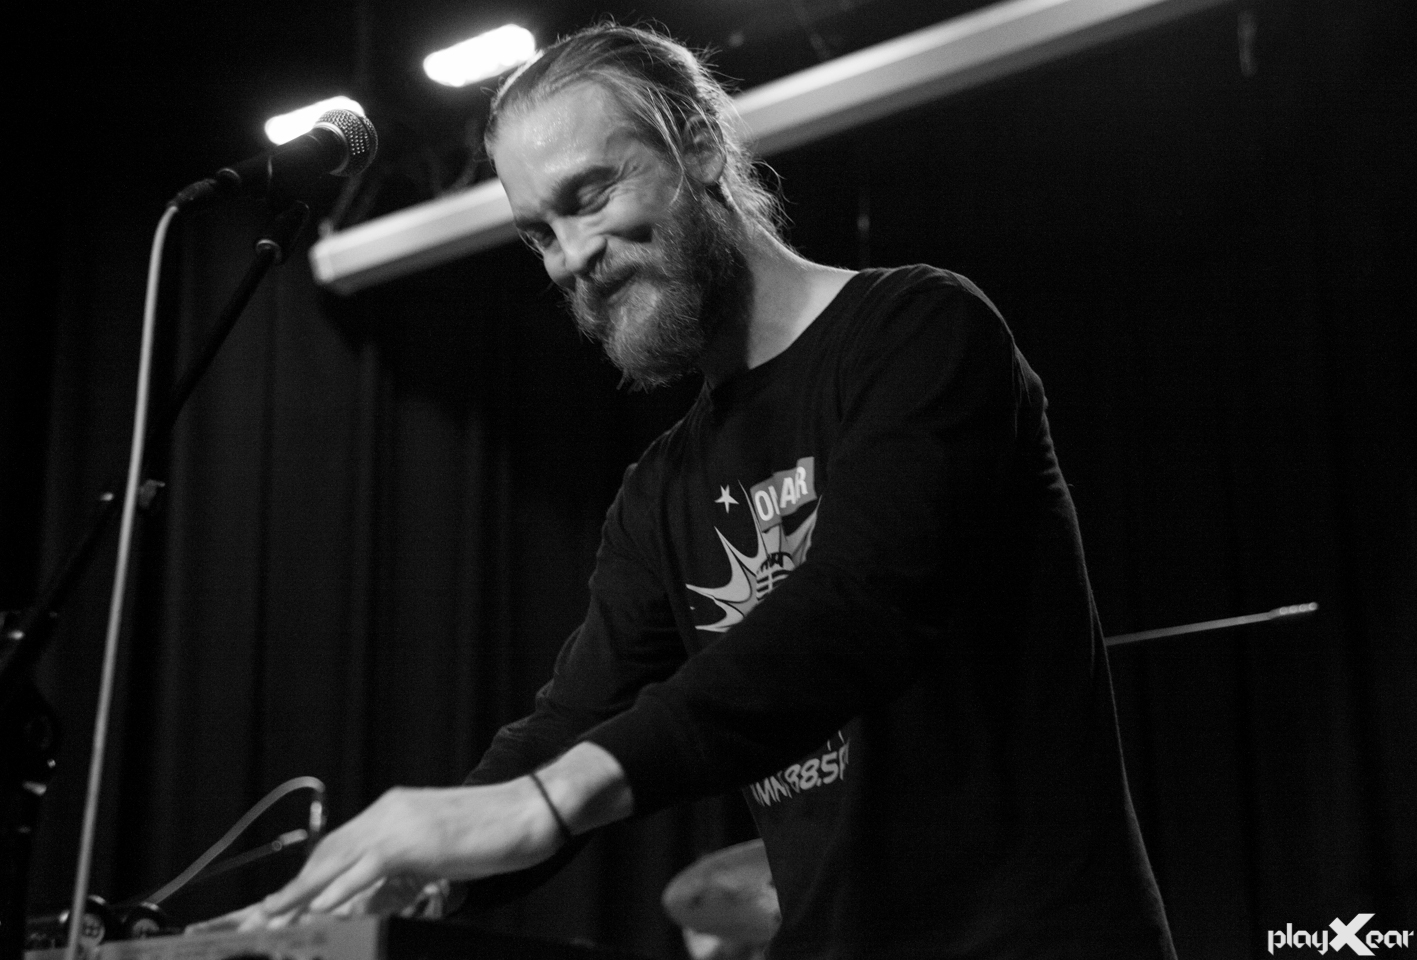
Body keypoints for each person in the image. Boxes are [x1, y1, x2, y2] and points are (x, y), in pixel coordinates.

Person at [228, 22, 1176, 958]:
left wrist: (543, 802)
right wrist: (402, 879)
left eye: (590, 196)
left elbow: (860, 606)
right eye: (540, 232)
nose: (570, 257)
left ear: (698, 146)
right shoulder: (661, 489)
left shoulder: (918, 329)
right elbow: (575, 719)